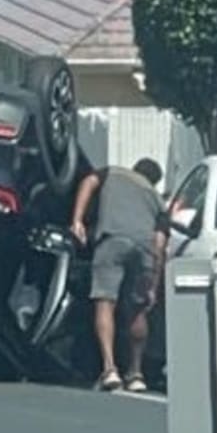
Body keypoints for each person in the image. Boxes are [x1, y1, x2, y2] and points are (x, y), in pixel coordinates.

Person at [70, 158, 169, 393]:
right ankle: (136, 373)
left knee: (105, 302)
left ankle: (109, 368)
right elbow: (160, 243)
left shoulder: (113, 173)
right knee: (137, 310)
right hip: (143, 248)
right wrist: (153, 285)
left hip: (112, 240)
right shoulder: (157, 200)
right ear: (154, 181)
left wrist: (77, 220)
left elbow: (89, 181)